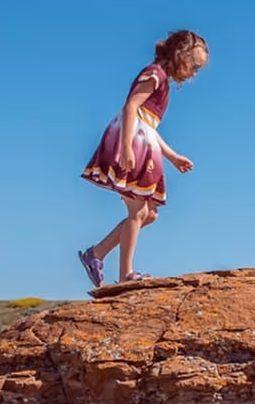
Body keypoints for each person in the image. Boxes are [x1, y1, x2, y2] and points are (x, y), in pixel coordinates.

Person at [78, 30, 208, 287]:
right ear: (180, 55)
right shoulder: (155, 74)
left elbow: (149, 126)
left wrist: (172, 156)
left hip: (144, 140)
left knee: (149, 214)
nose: (193, 72)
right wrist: (125, 146)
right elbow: (131, 108)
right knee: (138, 210)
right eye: (193, 65)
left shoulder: (163, 81)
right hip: (131, 140)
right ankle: (125, 275)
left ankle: (97, 254)